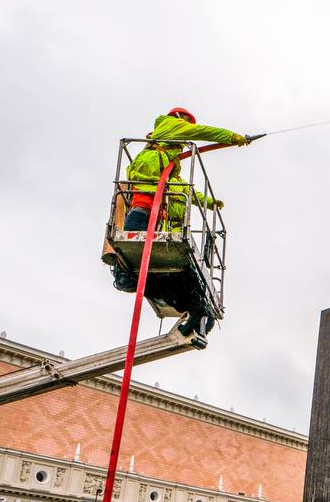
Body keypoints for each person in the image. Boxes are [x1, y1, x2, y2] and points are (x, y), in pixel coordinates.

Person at [109, 107, 254, 340]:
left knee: (172, 277)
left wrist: (209, 203)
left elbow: (188, 192)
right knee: (129, 269)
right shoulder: (169, 126)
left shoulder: (170, 172)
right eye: (186, 125)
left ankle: (198, 315)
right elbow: (203, 132)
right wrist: (232, 137)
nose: (185, 135)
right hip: (144, 208)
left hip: (157, 217)